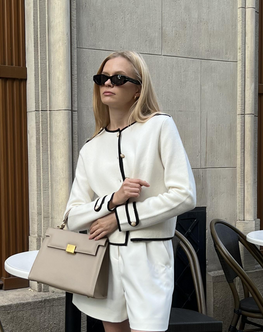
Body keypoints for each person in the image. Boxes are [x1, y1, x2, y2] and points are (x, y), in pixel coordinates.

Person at [63, 51, 196, 332]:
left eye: (118, 78)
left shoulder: (160, 126)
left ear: (138, 89)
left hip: (148, 257)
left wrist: (119, 218)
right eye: (102, 78)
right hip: (105, 260)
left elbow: (184, 194)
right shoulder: (90, 148)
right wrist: (113, 199)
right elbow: (73, 216)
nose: (108, 84)